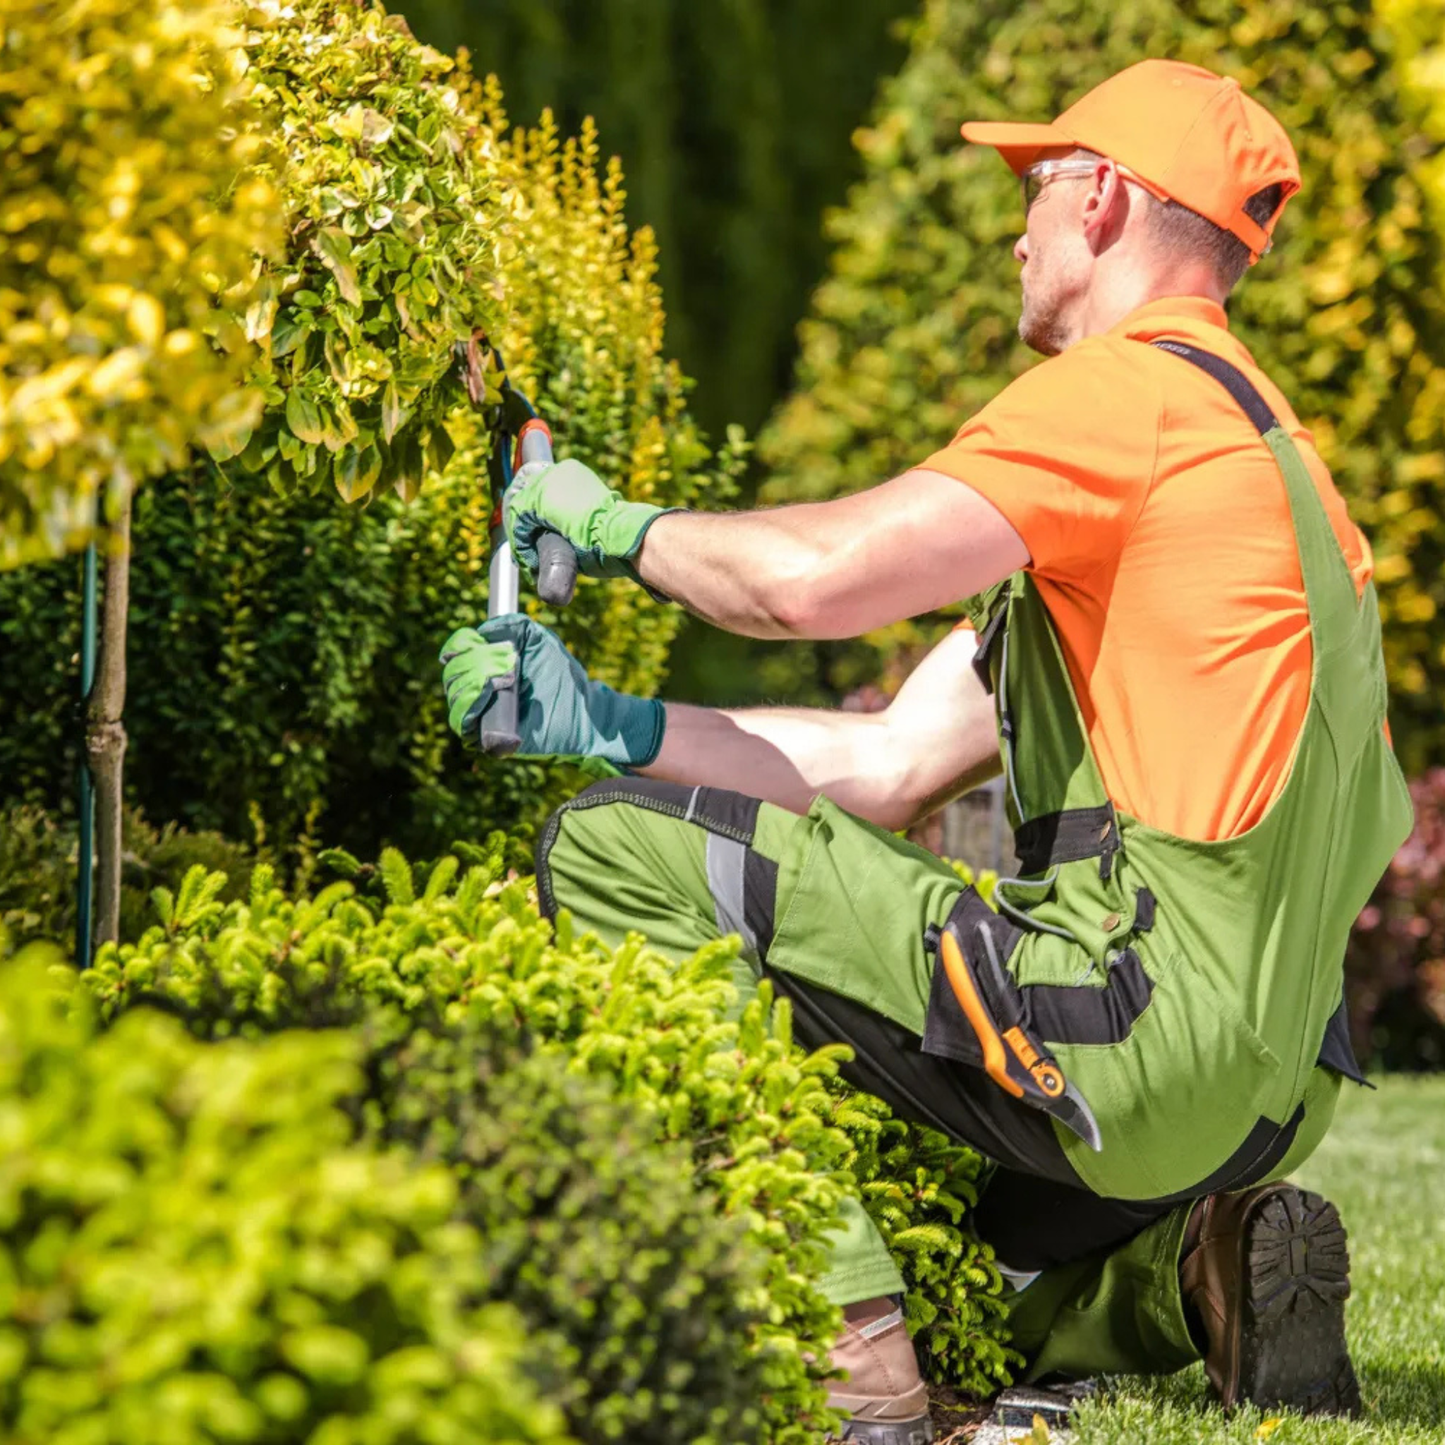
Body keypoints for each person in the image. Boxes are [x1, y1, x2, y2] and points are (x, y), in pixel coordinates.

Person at [438, 59, 1412, 1442]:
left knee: (607, 849)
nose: (1015, 228)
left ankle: (853, 1382)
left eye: (1034, 189)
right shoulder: (1266, 465)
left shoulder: (1126, 397)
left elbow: (808, 585)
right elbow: (889, 763)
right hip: (1265, 1089)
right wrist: (604, 722)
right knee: (958, 1234)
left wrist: (610, 525)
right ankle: (1183, 1279)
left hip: (1132, 1032)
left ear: (1106, 200)